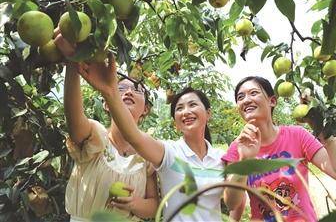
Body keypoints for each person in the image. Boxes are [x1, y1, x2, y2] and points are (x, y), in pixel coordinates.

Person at [73, 54, 227, 221]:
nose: (186, 111)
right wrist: (109, 91)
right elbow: (134, 136)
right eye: (180, 108)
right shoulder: (168, 152)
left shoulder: (221, 158)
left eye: (193, 104)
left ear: (208, 114)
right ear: (175, 122)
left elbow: (234, 203)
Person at [54, 30, 159, 222]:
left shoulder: (146, 154)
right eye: (120, 88)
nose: (128, 92)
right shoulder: (96, 137)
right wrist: (73, 61)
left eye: (137, 89)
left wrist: (134, 203)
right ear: (106, 103)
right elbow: (73, 117)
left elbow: (153, 206)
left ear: (146, 109)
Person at [223, 76, 336, 222]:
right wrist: (245, 160)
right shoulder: (238, 147)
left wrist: (323, 131)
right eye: (240, 97)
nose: (246, 100)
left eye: (253, 93)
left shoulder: (297, 135)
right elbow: (231, 203)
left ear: (272, 101)